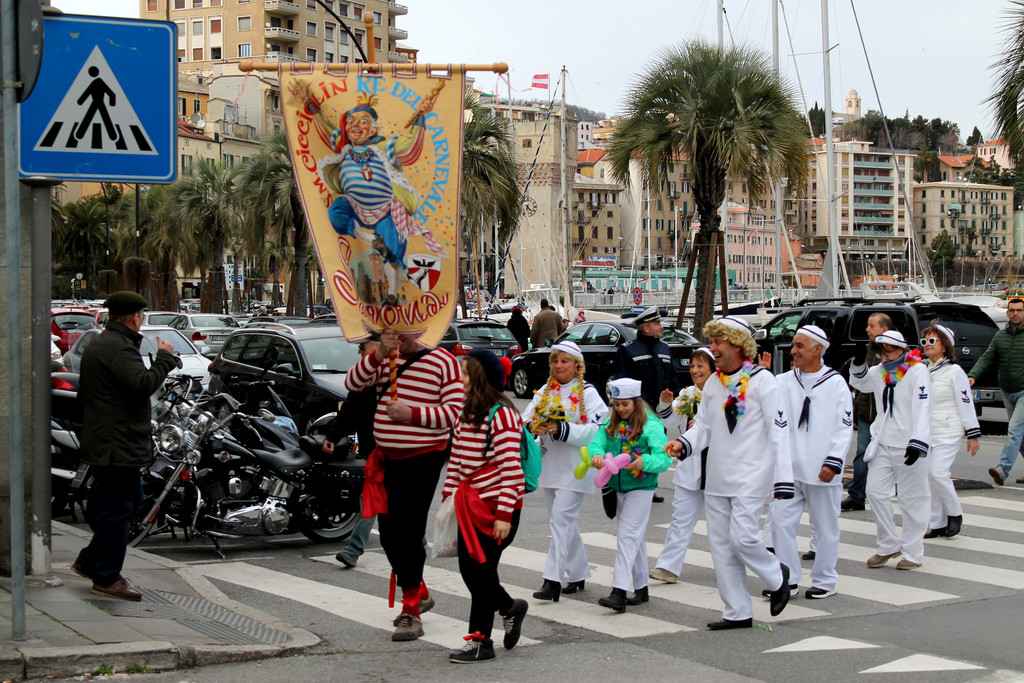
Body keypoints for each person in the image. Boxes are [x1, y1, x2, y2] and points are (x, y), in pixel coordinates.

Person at [665, 316, 794, 630]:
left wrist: (783, 480)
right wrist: (684, 443)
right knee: (721, 546)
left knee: (742, 537)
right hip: (718, 475)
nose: (712, 349)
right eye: (711, 342)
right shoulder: (713, 383)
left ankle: (778, 577)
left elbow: (779, 432)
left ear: (738, 344)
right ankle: (737, 611)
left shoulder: (763, 381)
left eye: (718, 342)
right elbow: (704, 427)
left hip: (752, 475)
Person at [344, 328, 464, 641]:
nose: (399, 336)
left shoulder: (443, 361)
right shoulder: (385, 359)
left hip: (424, 458)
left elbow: (453, 413)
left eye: (406, 331)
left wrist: (411, 414)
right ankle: (418, 589)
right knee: (388, 534)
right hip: (387, 458)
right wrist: (377, 356)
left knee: (409, 531)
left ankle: (410, 609)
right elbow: (353, 384)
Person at [72, 292, 179, 601]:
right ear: (134, 317)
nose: (141, 320)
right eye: (142, 315)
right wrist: (165, 358)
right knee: (119, 510)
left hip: (110, 440)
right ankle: (107, 577)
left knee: (128, 503)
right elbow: (142, 384)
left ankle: (89, 561)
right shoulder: (119, 348)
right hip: (116, 444)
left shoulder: (104, 343)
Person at [316, 93, 445, 305]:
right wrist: (311, 105)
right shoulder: (343, 148)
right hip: (355, 207)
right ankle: (372, 240)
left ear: (373, 129)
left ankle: (392, 295)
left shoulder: (384, 149)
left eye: (363, 122)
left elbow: (408, 148)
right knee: (336, 211)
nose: (356, 125)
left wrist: (421, 115)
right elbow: (325, 130)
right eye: (351, 121)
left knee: (394, 250)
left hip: (385, 209)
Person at [442, 350, 527, 664]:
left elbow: (511, 468)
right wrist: (448, 496)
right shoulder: (465, 412)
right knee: (472, 570)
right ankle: (509, 608)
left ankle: (481, 642)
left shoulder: (502, 414)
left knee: (480, 572)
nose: (461, 379)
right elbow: (457, 461)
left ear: (480, 377)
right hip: (469, 505)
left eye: (466, 373)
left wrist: (504, 514)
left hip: (496, 508)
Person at [769, 326, 853, 599]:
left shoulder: (836, 383)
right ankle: (789, 578)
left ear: (818, 349)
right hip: (789, 470)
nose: (793, 351)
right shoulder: (783, 381)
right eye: (793, 345)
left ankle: (825, 580)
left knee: (825, 528)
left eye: (799, 346)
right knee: (780, 524)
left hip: (822, 469)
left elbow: (844, 426)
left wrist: (834, 461)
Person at [522, 341, 608, 602]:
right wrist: (534, 426)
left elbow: (597, 431)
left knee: (561, 521)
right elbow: (524, 418)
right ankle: (579, 572)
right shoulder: (545, 391)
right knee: (562, 521)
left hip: (577, 468)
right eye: (555, 361)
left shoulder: (589, 394)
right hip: (551, 466)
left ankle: (552, 580)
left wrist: (561, 429)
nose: (558, 366)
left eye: (564, 361)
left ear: (577, 366)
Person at [849, 330, 932, 570]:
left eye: (888, 353)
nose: (884, 358)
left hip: (909, 443)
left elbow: (923, 406)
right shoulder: (880, 372)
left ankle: (913, 552)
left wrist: (918, 440)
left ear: (901, 350)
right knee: (875, 493)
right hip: (883, 441)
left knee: (912, 498)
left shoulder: (918, 371)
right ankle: (888, 544)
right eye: (880, 354)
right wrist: (858, 362)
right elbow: (860, 382)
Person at [587, 378, 670, 612]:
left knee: (627, 536)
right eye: (617, 404)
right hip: (618, 488)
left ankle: (619, 591)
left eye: (625, 404)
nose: (621, 409)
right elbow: (596, 444)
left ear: (636, 402)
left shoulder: (651, 425)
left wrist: (645, 462)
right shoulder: (610, 424)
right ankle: (641, 588)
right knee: (634, 538)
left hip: (641, 488)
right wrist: (597, 456)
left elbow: (664, 458)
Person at [649, 347, 715, 583]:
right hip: (691, 467)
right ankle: (668, 567)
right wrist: (665, 404)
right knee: (680, 520)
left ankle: (734, 566)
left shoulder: (726, 393)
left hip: (718, 469)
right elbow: (670, 420)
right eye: (693, 366)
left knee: (723, 527)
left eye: (701, 366)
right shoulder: (688, 394)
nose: (695, 370)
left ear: (713, 368)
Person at [327, 335, 381, 568]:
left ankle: (354, 548)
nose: (360, 352)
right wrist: (333, 435)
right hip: (375, 449)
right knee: (373, 497)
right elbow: (350, 408)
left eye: (363, 347)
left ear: (378, 347)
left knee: (377, 498)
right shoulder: (365, 375)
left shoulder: (398, 373)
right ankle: (354, 548)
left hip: (397, 449)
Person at [922, 325, 980, 538]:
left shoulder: (955, 372)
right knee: (929, 477)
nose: (927, 345)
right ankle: (937, 522)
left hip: (948, 430)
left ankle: (955, 514)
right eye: (925, 341)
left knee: (938, 473)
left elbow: (966, 403)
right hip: (927, 432)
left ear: (945, 346)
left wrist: (972, 434)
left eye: (932, 341)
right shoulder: (920, 369)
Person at [968, 297, 1024, 485]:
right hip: (1007, 390)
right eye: (1012, 310)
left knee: (1014, 430)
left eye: (1019, 310)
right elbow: (987, 357)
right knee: (1021, 435)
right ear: (1007, 313)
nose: (1015, 313)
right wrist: (973, 375)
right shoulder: (1000, 336)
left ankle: (1002, 469)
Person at [843, 313, 892, 512]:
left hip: (887, 418)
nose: (867, 330)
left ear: (884, 329)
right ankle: (857, 495)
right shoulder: (867, 350)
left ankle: (890, 493)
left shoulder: (899, 354)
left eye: (872, 326)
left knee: (888, 456)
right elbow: (859, 382)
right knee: (862, 454)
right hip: (865, 413)